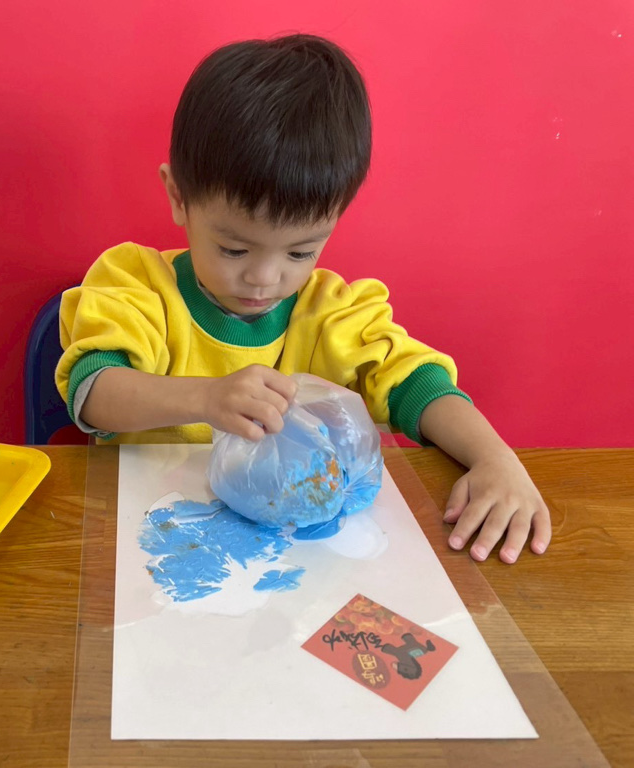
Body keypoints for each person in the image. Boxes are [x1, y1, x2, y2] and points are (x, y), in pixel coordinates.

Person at [55, 34, 550, 564]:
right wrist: (205, 398)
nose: (264, 278)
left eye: (300, 252)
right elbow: (93, 393)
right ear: (179, 197)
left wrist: (495, 458)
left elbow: (416, 383)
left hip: (297, 553)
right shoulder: (136, 286)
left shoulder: (331, 314)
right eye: (234, 248)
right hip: (151, 543)